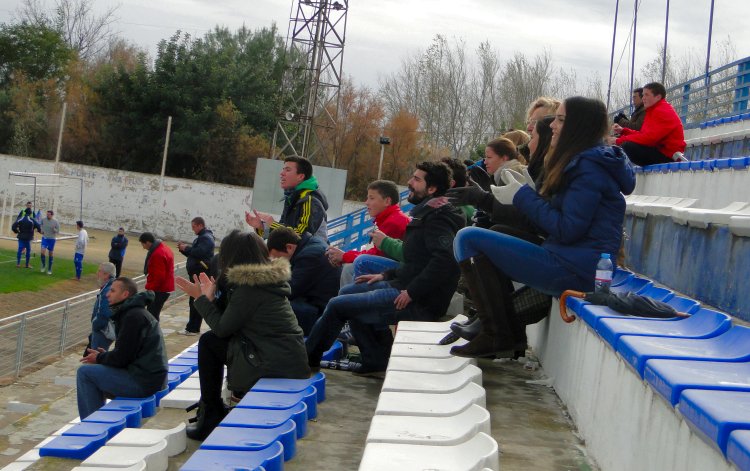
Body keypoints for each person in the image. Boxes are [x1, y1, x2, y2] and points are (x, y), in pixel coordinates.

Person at [451, 96, 636, 358]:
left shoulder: (589, 168)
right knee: (483, 237)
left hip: (576, 270)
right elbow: (564, 220)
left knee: (468, 238)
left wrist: (523, 197)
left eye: (560, 120)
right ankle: (504, 334)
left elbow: (567, 229)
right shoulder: (585, 162)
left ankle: (496, 334)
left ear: (578, 126)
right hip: (571, 260)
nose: (552, 126)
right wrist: (531, 193)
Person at [305, 161, 465, 377]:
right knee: (347, 292)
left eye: (417, 179)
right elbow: (416, 260)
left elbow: (445, 261)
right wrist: (385, 274)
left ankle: (306, 360)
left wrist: (412, 292)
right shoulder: (427, 213)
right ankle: (376, 360)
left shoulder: (439, 218)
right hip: (403, 285)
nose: (409, 182)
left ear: (432, 189)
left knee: (338, 304)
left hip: (419, 300)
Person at [174, 230, 310, 440]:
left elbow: (222, 328)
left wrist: (201, 299)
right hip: (285, 359)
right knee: (211, 341)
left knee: (209, 342)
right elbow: (233, 318)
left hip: (274, 363)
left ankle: (211, 414)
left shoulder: (250, 288)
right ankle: (211, 410)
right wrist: (211, 297)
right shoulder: (258, 281)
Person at [77, 277, 167, 419]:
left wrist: (100, 358)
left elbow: (123, 358)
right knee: (94, 374)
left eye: (112, 291)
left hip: (144, 382)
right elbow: (128, 353)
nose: (107, 294)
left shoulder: (133, 317)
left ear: (125, 295)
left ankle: (91, 424)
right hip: (148, 378)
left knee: (85, 373)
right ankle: (95, 421)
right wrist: (105, 357)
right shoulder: (134, 313)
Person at [325, 180, 410, 285]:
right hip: (395, 268)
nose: (366, 202)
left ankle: (345, 300)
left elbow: (375, 256)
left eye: (371, 198)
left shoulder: (394, 222)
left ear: (387, 201)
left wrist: (345, 256)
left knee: (349, 268)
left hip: (398, 272)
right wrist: (344, 256)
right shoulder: (389, 218)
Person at [267, 227, 341, 335]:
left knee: (269, 306)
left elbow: (290, 290)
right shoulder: (307, 245)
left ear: (289, 247)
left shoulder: (310, 256)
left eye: (278, 258)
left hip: (319, 312)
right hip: (313, 302)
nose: (277, 262)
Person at [245, 156, 329, 241]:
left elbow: (302, 235)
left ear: (300, 177)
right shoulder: (292, 197)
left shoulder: (310, 200)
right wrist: (261, 226)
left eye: (287, 170)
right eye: (283, 169)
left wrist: (273, 224)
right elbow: (283, 235)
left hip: (311, 253)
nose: (282, 173)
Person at [611, 82, 686, 166]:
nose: (643, 98)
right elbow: (644, 135)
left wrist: (619, 140)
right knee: (624, 144)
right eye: (643, 95)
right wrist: (624, 131)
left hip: (669, 156)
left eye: (647, 95)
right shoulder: (653, 111)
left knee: (627, 146)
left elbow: (649, 138)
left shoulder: (662, 111)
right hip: (662, 152)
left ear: (658, 97)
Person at [177, 217, 215, 336]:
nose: (193, 229)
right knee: (194, 299)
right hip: (197, 272)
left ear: (200, 225)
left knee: (196, 299)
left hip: (200, 273)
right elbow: (195, 253)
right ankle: (192, 327)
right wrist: (184, 250)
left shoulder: (206, 238)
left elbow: (200, 252)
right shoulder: (203, 237)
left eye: (194, 227)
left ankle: (193, 328)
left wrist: (186, 248)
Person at [138, 232, 174, 321]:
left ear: (147, 242)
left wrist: (149, 288)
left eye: (143, 244)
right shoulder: (164, 248)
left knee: (151, 315)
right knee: (154, 313)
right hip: (166, 287)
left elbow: (159, 277)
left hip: (159, 289)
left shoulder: (157, 254)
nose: (143, 247)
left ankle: (152, 333)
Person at [85, 263, 117, 353]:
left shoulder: (108, 290)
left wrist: (95, 325)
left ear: (106, 275)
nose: (97, 273)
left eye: (99, 271)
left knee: (95, 357)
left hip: (102, 331)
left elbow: (104, 313)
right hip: (102, 330)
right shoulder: (110, 286)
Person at [39, 210, 60, 275]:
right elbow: (40, 225)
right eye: (47, 214)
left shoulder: (56, 222)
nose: (47, 215)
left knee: (50, 253)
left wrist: (54, 230)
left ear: (52, 215)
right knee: (42, 252)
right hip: (44, 238)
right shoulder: (43, 220)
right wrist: (41, 230)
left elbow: (58, 231)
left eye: (49, 214)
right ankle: (43, 265)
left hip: (52, 239)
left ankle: (49, 268)